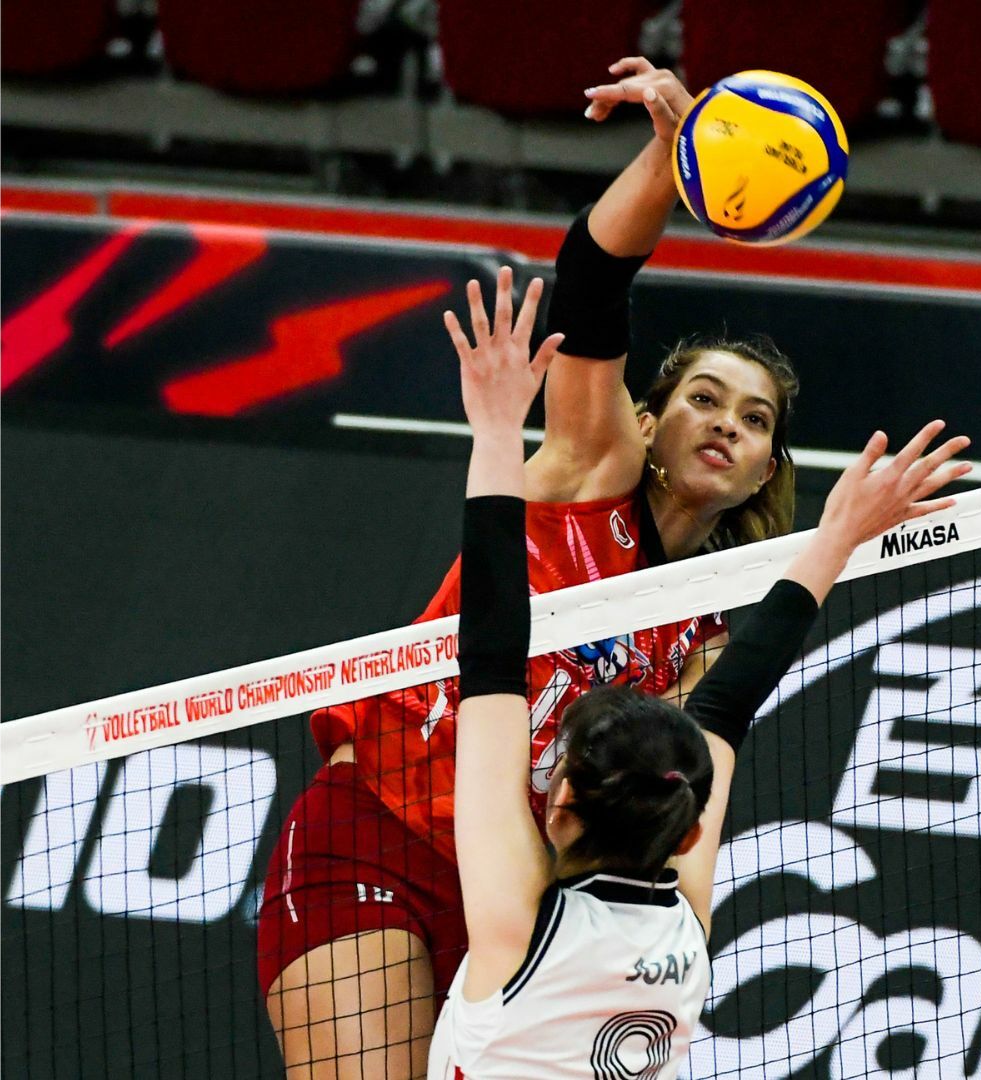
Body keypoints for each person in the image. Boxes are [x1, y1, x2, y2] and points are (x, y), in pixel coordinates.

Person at [256, 57, 817, 1077]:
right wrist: (667, 164)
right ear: (648, 420)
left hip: (522, 903)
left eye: (754, 420)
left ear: (764, 472)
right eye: (703, 398)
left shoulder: (705, 636)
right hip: (375, 831)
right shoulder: (591, 469)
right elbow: (593, 282)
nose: (726, 425)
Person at [424, 276, 969, 1078]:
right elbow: (722, 703)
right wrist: (837, 540)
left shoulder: (516, 931)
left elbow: (495, 645)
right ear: (685, 832)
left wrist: (498, 431)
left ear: (561, 804)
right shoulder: (681, 943)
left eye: (754, 419)